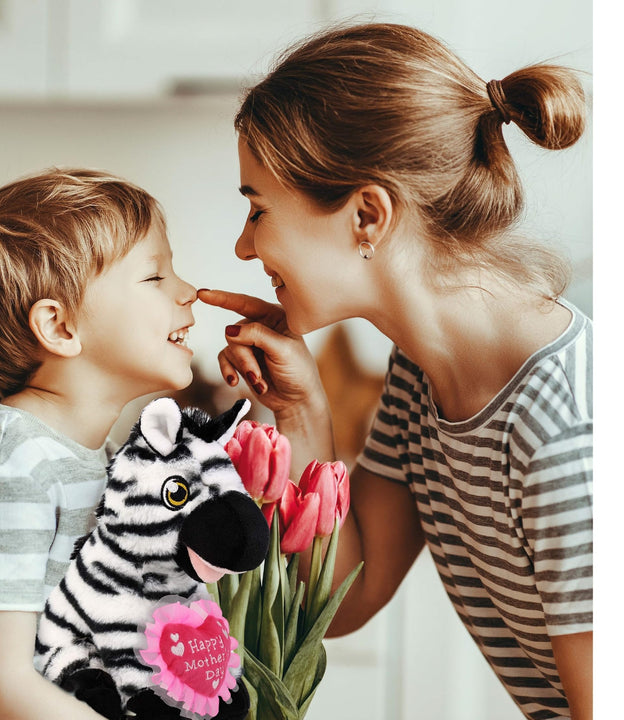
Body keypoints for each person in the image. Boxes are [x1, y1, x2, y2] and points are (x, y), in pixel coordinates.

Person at [199, 22, 592, 720]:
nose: (243, 244)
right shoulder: (421, 374)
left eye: (258, 210)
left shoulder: (565, 429)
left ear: (367, 215)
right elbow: (347, 596)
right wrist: (302, 413)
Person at [0, 168, 198, 719]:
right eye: (155, 277)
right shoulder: (14, 465)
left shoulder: (81, 455)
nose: (187, 291)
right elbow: (0, 682)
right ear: (59, 327)